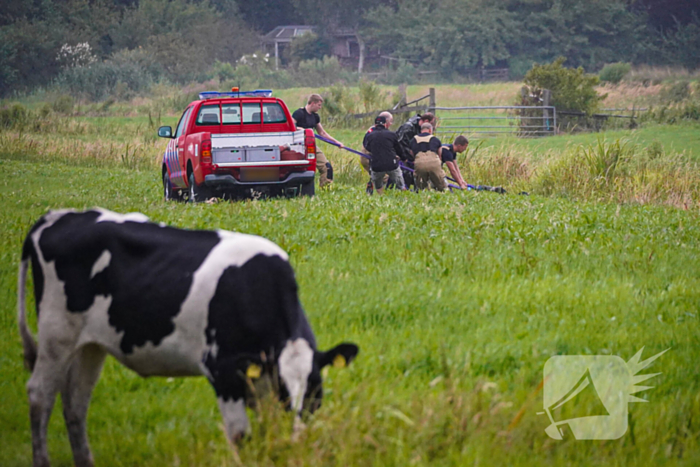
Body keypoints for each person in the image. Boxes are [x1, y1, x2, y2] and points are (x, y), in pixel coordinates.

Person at [292, 94, 343, 188]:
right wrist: (304, 130)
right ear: (312, 103)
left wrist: (336, 142)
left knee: (327, 167)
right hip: (297, 145)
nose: (320, 107)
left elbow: (322, 133)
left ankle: (325, 189)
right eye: (319, 105)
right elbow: (291, 127)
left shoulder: (315, 117)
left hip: (310, 145)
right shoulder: (298, 113)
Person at [362, 112, 408, 194]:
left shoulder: (370, 134)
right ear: (385, 124)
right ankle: (405, 199)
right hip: (391, 164)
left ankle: (382, 198)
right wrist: (404, 158)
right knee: (401, 185)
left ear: (375, 124)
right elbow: (398, 149)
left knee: (378, 186)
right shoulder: (392, 134)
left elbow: (367, 147)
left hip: (376, 165)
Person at [410, 123, 447, 191]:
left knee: (421, 185)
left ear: (421, 130)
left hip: (419, 163)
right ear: (430, 130)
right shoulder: (435, 139)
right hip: (434, 162)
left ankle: (421, 193)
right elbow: (439, 154)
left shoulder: (413, 140)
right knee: (441, 184)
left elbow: (411, 153)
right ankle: (443, 192)